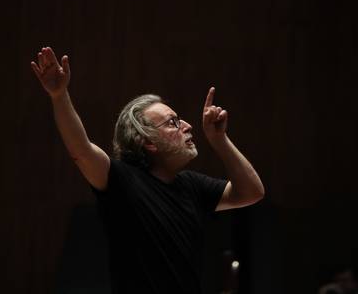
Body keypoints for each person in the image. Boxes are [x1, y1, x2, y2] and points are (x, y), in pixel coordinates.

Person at [31, 47, 265, 293]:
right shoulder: (123, 181)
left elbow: (252, 192)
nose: (187, 125)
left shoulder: (192, 186)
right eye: (173, 122)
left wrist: (219, 140)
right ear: (148, 142)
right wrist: (59, 96)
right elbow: (81, 150)